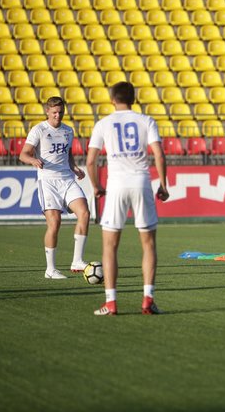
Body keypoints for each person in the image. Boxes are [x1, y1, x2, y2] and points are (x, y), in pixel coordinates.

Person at [86, 82, 169, 316]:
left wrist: (96, 186)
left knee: (110, 246)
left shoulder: (103, 124)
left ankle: (111, 303)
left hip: (117, 184)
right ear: (134, 98)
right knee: (148, 244)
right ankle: (148, 300)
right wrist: (163, 184)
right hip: (141, 182)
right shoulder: (146, 121)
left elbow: (91, 161)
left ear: (112, 99)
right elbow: (159, 154)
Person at [19, 96, 90, 280]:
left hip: (67, 179)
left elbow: (68, 154)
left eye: (60, 112)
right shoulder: (39, 130)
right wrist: (33, 160)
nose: (58, 115)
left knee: (84, 213)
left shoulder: (68, 131)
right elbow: (23, 154)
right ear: (48, 112)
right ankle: (50, 269)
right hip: (48, 181)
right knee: (55, 223)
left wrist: (74, 168)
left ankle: (77, 261)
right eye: (54, 112)